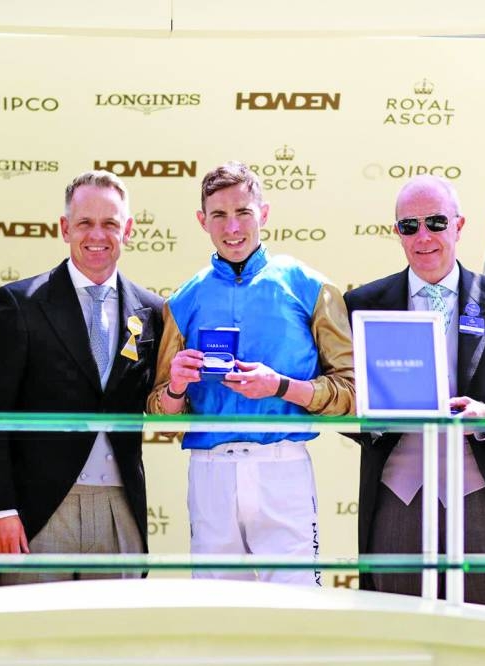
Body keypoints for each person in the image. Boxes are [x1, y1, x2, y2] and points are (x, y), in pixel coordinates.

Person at [344, 175, 485, 606]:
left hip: (480, 497)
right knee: (398, 640)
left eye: (436, 222)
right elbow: (340, 397)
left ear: (459, 226)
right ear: (397, 233)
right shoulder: (363, 304)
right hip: (396, 498)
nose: (423, 236)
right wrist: (374, 415)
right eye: (410, 226)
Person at [147, 161, 354, 586]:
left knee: (298, 614)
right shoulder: (182, 301)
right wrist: (177, 387)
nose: (232, 227)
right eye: (219, 215)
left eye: (243, 212)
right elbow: (159, 413)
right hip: (210, 472)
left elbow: (350, 394)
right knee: (217, 618)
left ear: (264, 212)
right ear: (202, 221)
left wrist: (278, 385)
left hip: (283, 467)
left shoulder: (309, 287)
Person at [0, 170, 163, 585]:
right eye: (85, 223)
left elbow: (158, 399)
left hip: (120, 510)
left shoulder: (153, 311)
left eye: (110, 223)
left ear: (128, 230)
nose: (98, 234)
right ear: (64, 228)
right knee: (26, 643)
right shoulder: (20, 304)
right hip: (37, 512)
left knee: (111, 642)